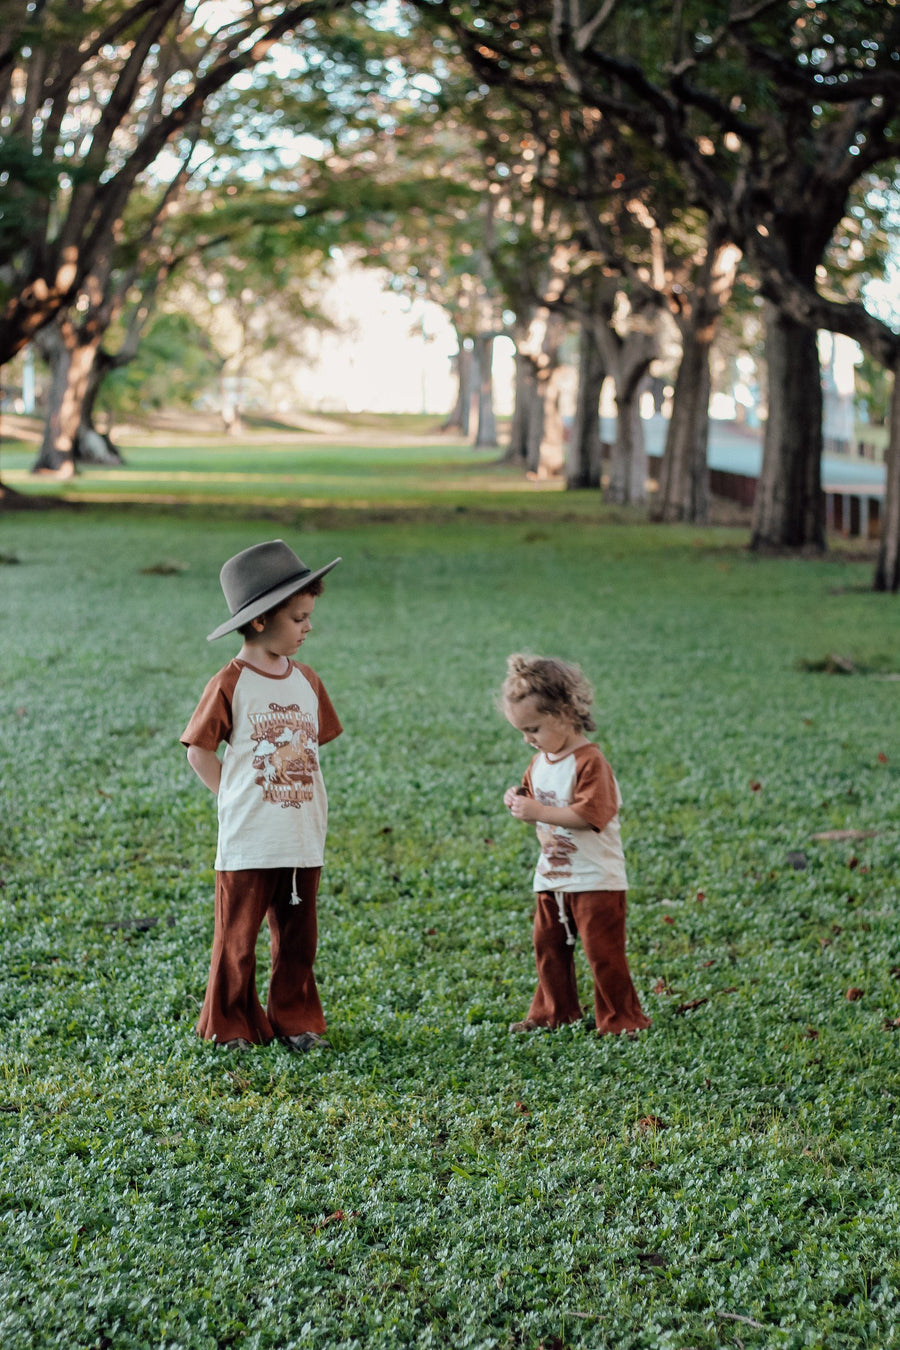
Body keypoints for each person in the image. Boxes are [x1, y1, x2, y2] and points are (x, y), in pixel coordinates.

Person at [181, 539, 343, 1053]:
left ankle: (295, 1020)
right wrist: (234, 800)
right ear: (259, 622)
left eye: (308, 616)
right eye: (298, 618)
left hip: (301, 835)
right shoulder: (231, 681)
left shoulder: (307, 682)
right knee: (237, 941)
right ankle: (229, 1026)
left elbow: (311, 752)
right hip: (249, 840)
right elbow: (199, 752)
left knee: (298, 941)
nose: (307, 627)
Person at [501, 653, 650, 1037]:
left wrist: (538, 810)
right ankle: (554, 1012)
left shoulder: (590, 762)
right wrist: (518, 801)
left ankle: (621, 1020)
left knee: (604, 955)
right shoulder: (540, 761)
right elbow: (536, 800)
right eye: (522, 731)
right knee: (548, 949)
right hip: (552, 877)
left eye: (533, 729)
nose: (527, 739)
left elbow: (589, 815)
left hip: (596, 879)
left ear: (564, 714)